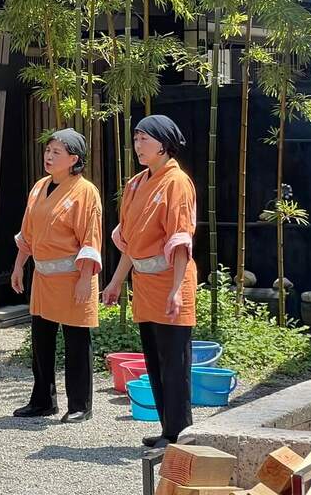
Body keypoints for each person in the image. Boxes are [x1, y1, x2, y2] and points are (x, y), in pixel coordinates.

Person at [102, 114, 197, 449]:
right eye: (136, 138)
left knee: (175, 362)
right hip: (144, 281)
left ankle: (180, 434)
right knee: (155, 360)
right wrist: (115, 282)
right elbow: (129, 242)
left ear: (164, 144)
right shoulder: (136, 184)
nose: (137, 145)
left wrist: (175, 290)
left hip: (171, 280)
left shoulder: (177, 182)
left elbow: (181, 240)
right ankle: (167, 429)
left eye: (144, 139)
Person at [10, 129, 102, 423]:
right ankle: (43, 400)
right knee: (41, 339)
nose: (48, 156)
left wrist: (86, 280)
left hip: (74, 275)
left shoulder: (85, 191)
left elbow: (90, 239)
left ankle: (79, 405)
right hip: (44, 275)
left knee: (76, 339)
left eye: (56, 152)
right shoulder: (39, 186)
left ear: (74, 159)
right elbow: (28, 233)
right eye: (48, 150)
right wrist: (18, 265)